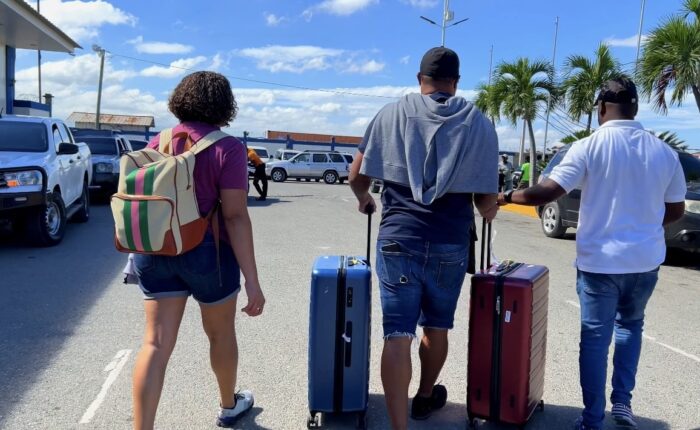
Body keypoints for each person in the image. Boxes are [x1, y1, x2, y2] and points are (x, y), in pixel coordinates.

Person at [497, 78, 686, 430]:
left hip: (600, 265)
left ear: (601, 108)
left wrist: (506, 197)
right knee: (631, 328)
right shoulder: (664, 152)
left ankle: (592, 419)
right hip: (645, 263)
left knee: (596, 340)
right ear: (636, 110)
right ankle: (623, 405)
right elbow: (674, 210)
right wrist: (644, 225)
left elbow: (546, 193)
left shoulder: (588, 146)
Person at [349, 47, 499, 430]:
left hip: (399, 238)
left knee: (398, 333)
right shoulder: (479, 123)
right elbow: (484, 200)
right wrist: (489, 208)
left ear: (420, 80)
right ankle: (425, 395)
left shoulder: (390, 114)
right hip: (450, 241)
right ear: (456, 82)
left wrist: (366, 199)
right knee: (437, 327)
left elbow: (356, 175)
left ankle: (399, 427)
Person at [131, 72, 266, 430]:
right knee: (220, 334)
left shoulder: (156, 141)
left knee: (155, 344)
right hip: (210, 251)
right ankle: (228, 406)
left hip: (157, 247)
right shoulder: (229, 148)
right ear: (225, 105)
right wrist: (253, 282)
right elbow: (235, 217)